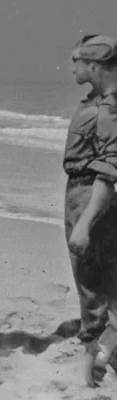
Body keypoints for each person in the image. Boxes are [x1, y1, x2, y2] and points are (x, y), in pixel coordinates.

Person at [63, 34, 117, 387]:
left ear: (94, 65)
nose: (73, 69)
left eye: (77, 63)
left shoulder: (109, 108)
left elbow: (108, 172)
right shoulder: (97, 102)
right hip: (81, 193)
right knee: (97, 282)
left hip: (90, 197)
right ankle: (100, 348)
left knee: (94, 280)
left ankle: (101, 349)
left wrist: (83, 223)